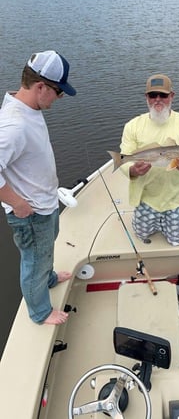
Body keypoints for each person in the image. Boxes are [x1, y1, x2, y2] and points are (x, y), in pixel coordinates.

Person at [0, 50, 76, 325]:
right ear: (41, 87)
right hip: (30, 213)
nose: (60, 97)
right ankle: (40, 312)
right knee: (33, 261)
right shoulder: (14, 124)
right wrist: (17, 203)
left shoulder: (27, 106)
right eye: (59, 92)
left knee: (47, 246)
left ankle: (50, 277)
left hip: (45, 204)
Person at [120, 74, 179, 246]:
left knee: (178, 240)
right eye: (153, 95)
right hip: (145, 197)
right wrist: (132, 170)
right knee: (140, 234)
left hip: (175, 197)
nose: (157, 100)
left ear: (171, 96)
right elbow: (124, 156)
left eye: (163, 95)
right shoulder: (132, 126)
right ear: (147, 98)